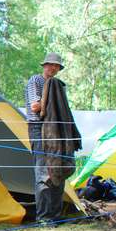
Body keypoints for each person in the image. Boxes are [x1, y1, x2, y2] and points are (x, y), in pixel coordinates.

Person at [25, 52, 68, 222]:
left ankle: (56, 216)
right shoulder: (36, 80)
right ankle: (43, 218)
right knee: (43, 172)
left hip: (56, 130)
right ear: (44, 66)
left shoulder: (59, 85)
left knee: (58, 171)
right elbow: (35, 107)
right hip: (38, 128)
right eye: (50, 64)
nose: (53, 68)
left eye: (56, 65)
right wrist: (53, 99)